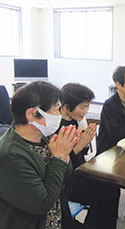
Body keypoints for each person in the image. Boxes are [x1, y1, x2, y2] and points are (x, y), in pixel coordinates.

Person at [0, 81, 80, 229]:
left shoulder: (44, 136)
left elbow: (66, 178)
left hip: (59, 218)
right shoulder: (10, 154)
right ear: (32, 114)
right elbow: (42, 203)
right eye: (56, 109)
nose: (59, 115)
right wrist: (59, 157)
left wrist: (65, 153)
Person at [59, 83, 119, 229]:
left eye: (88, 106)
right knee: (103, 195)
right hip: (65, 182)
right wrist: (79, 146)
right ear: (66, 107)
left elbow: (79, 157)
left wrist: (83, 145)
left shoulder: (74, 121)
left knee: (112, 188)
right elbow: (60, 165)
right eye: (83, 107)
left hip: (78, 171)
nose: (86, 111)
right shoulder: (55, 126)